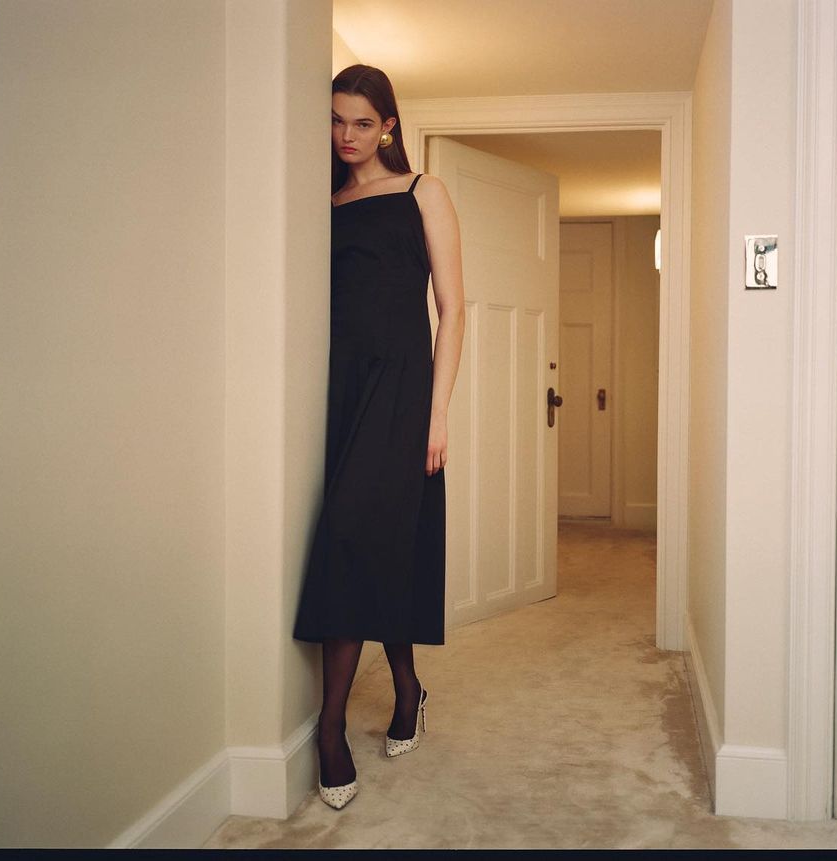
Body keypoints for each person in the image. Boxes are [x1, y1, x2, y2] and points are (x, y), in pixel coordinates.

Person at [292, 64, 465, 810]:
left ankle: (329, 729)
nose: (347, 135)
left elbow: (453, 309)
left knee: (357, 536)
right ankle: (407, 685)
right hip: (334, 390)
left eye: (362, 122)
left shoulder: (423, 191)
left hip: (400, 391)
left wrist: (438, 412)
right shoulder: (321, 202)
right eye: (336, 120)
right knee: (378, 544)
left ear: (388, 125)